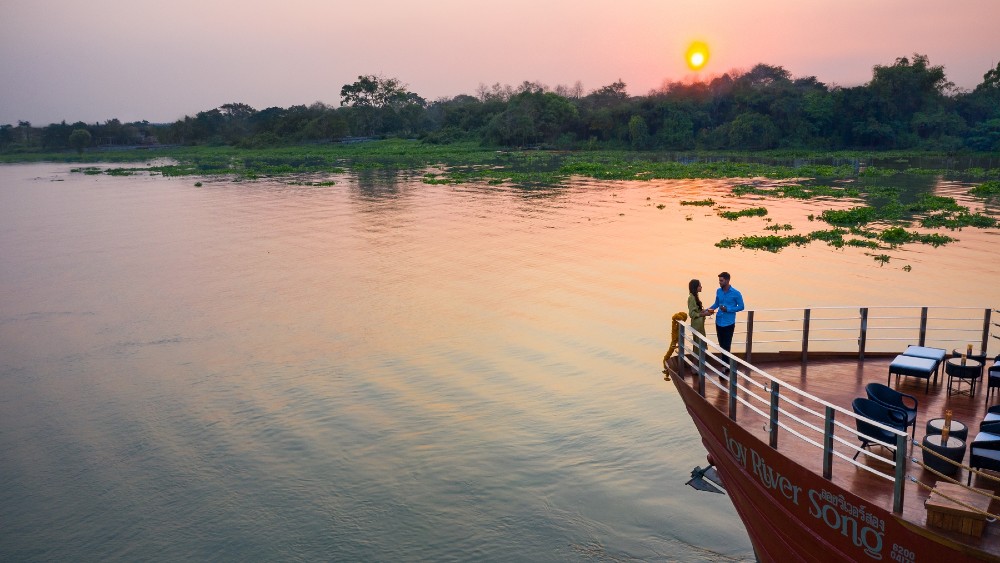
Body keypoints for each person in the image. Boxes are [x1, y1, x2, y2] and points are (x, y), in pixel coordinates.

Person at [708, 271, 745, 357]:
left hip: (729, 323)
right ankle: (725, 366)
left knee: (727, 346)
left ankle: (725, 367)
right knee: (721, 346)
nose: (719, 282)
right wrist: (706, 310)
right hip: (719, 322)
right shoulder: (718, 291)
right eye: (719, 280)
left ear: (727, 280)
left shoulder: (736, 293)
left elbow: (741, 306)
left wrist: (728, 309)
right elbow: (716, 304)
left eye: (721, 280)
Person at [687, 279, 714, 354]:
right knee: (699, 345)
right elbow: (692, 314)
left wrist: (705, 311)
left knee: (701, 344)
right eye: (699, 286)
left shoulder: (695, 297)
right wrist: (704, 314)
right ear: (695, 287)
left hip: (700, 325)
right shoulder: (691, 298)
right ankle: (697, 363)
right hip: (697, 325)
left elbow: (697, 311)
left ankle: (699, 362)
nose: (701, 287)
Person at [662, 311, 688, 380]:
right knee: (668, 354)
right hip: (675, 340)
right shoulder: (676, 324)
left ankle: (667, 372)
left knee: (668, 354)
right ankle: (667, 372)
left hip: (675, 340)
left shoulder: (676, 325)